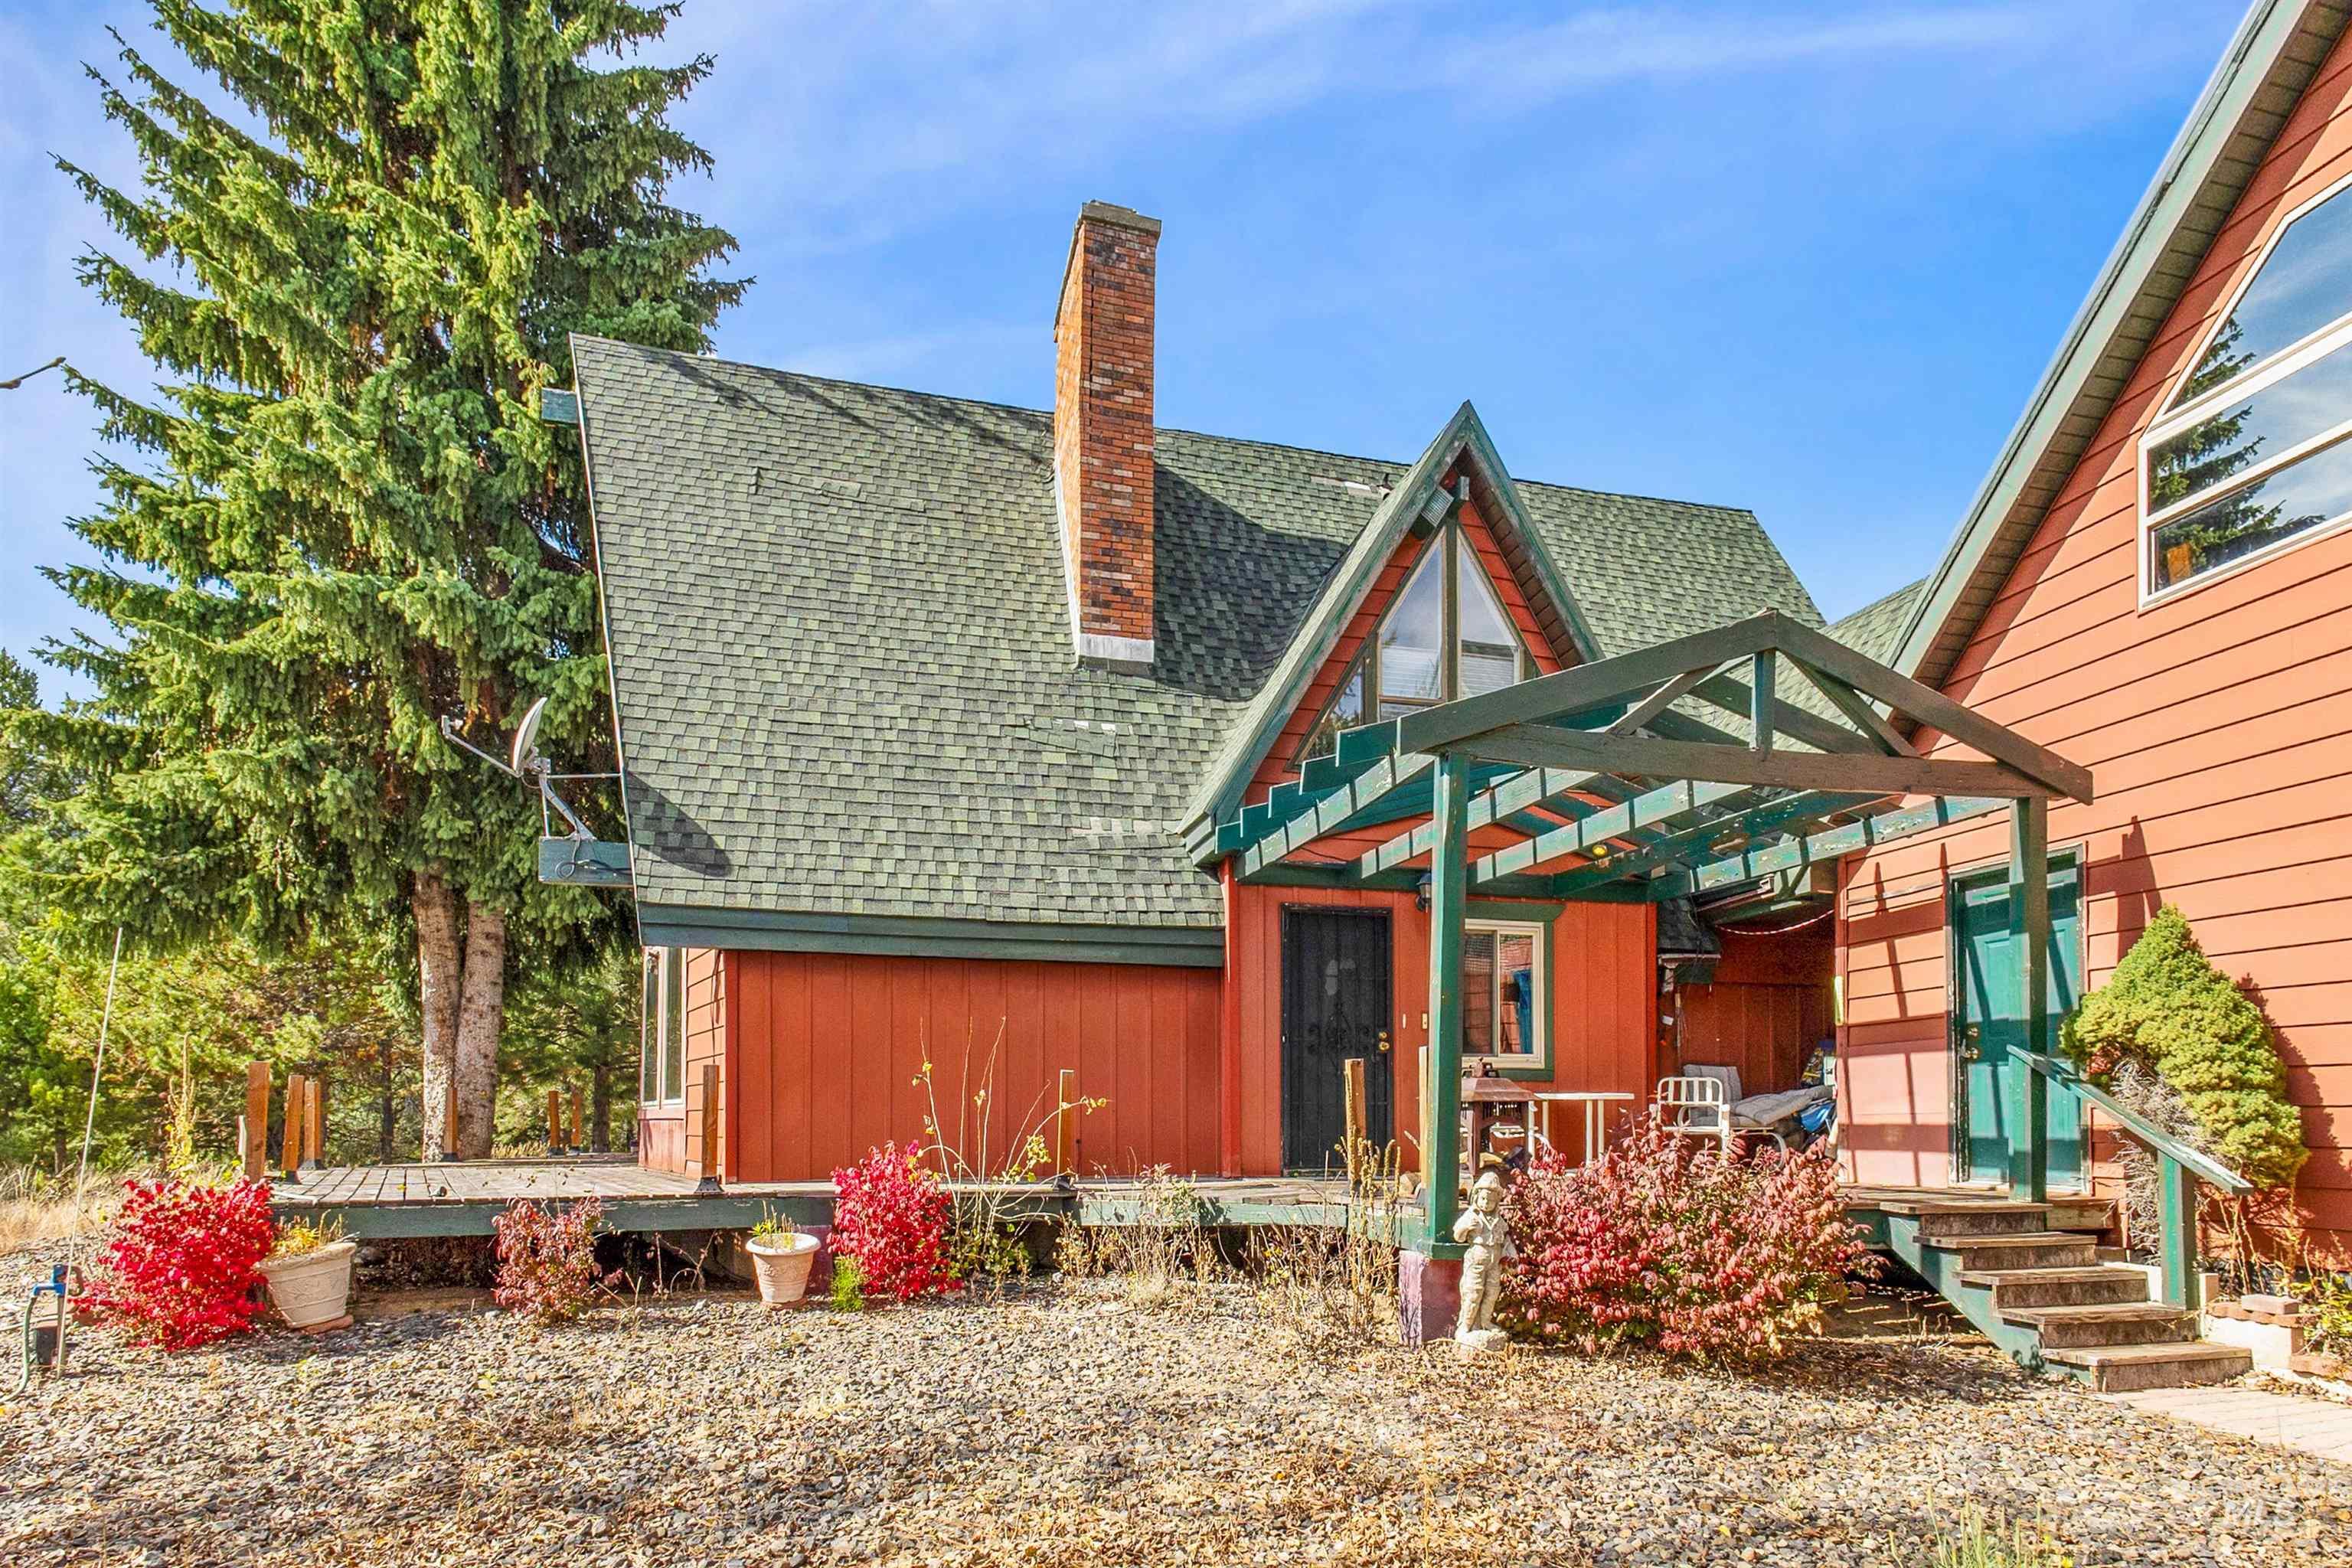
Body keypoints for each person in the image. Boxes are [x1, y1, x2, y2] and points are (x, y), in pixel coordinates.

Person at [1451, 1167, 1513, 1344]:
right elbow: (1458, 1236)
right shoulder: (1472, 1216)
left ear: (1497, 1202)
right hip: (1476, 1261)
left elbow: (1506, 1240)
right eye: (1483, 1199)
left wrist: (1511, 1255)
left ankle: (1486, 1322)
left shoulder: (1499, 1220)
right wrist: (1465, 1228)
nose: (1486, 1203)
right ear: (1477, 1197)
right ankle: (1466, 1325)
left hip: (1494, 1262)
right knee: (1473, 1292)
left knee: (1491, 1293)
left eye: (1491, 1200)